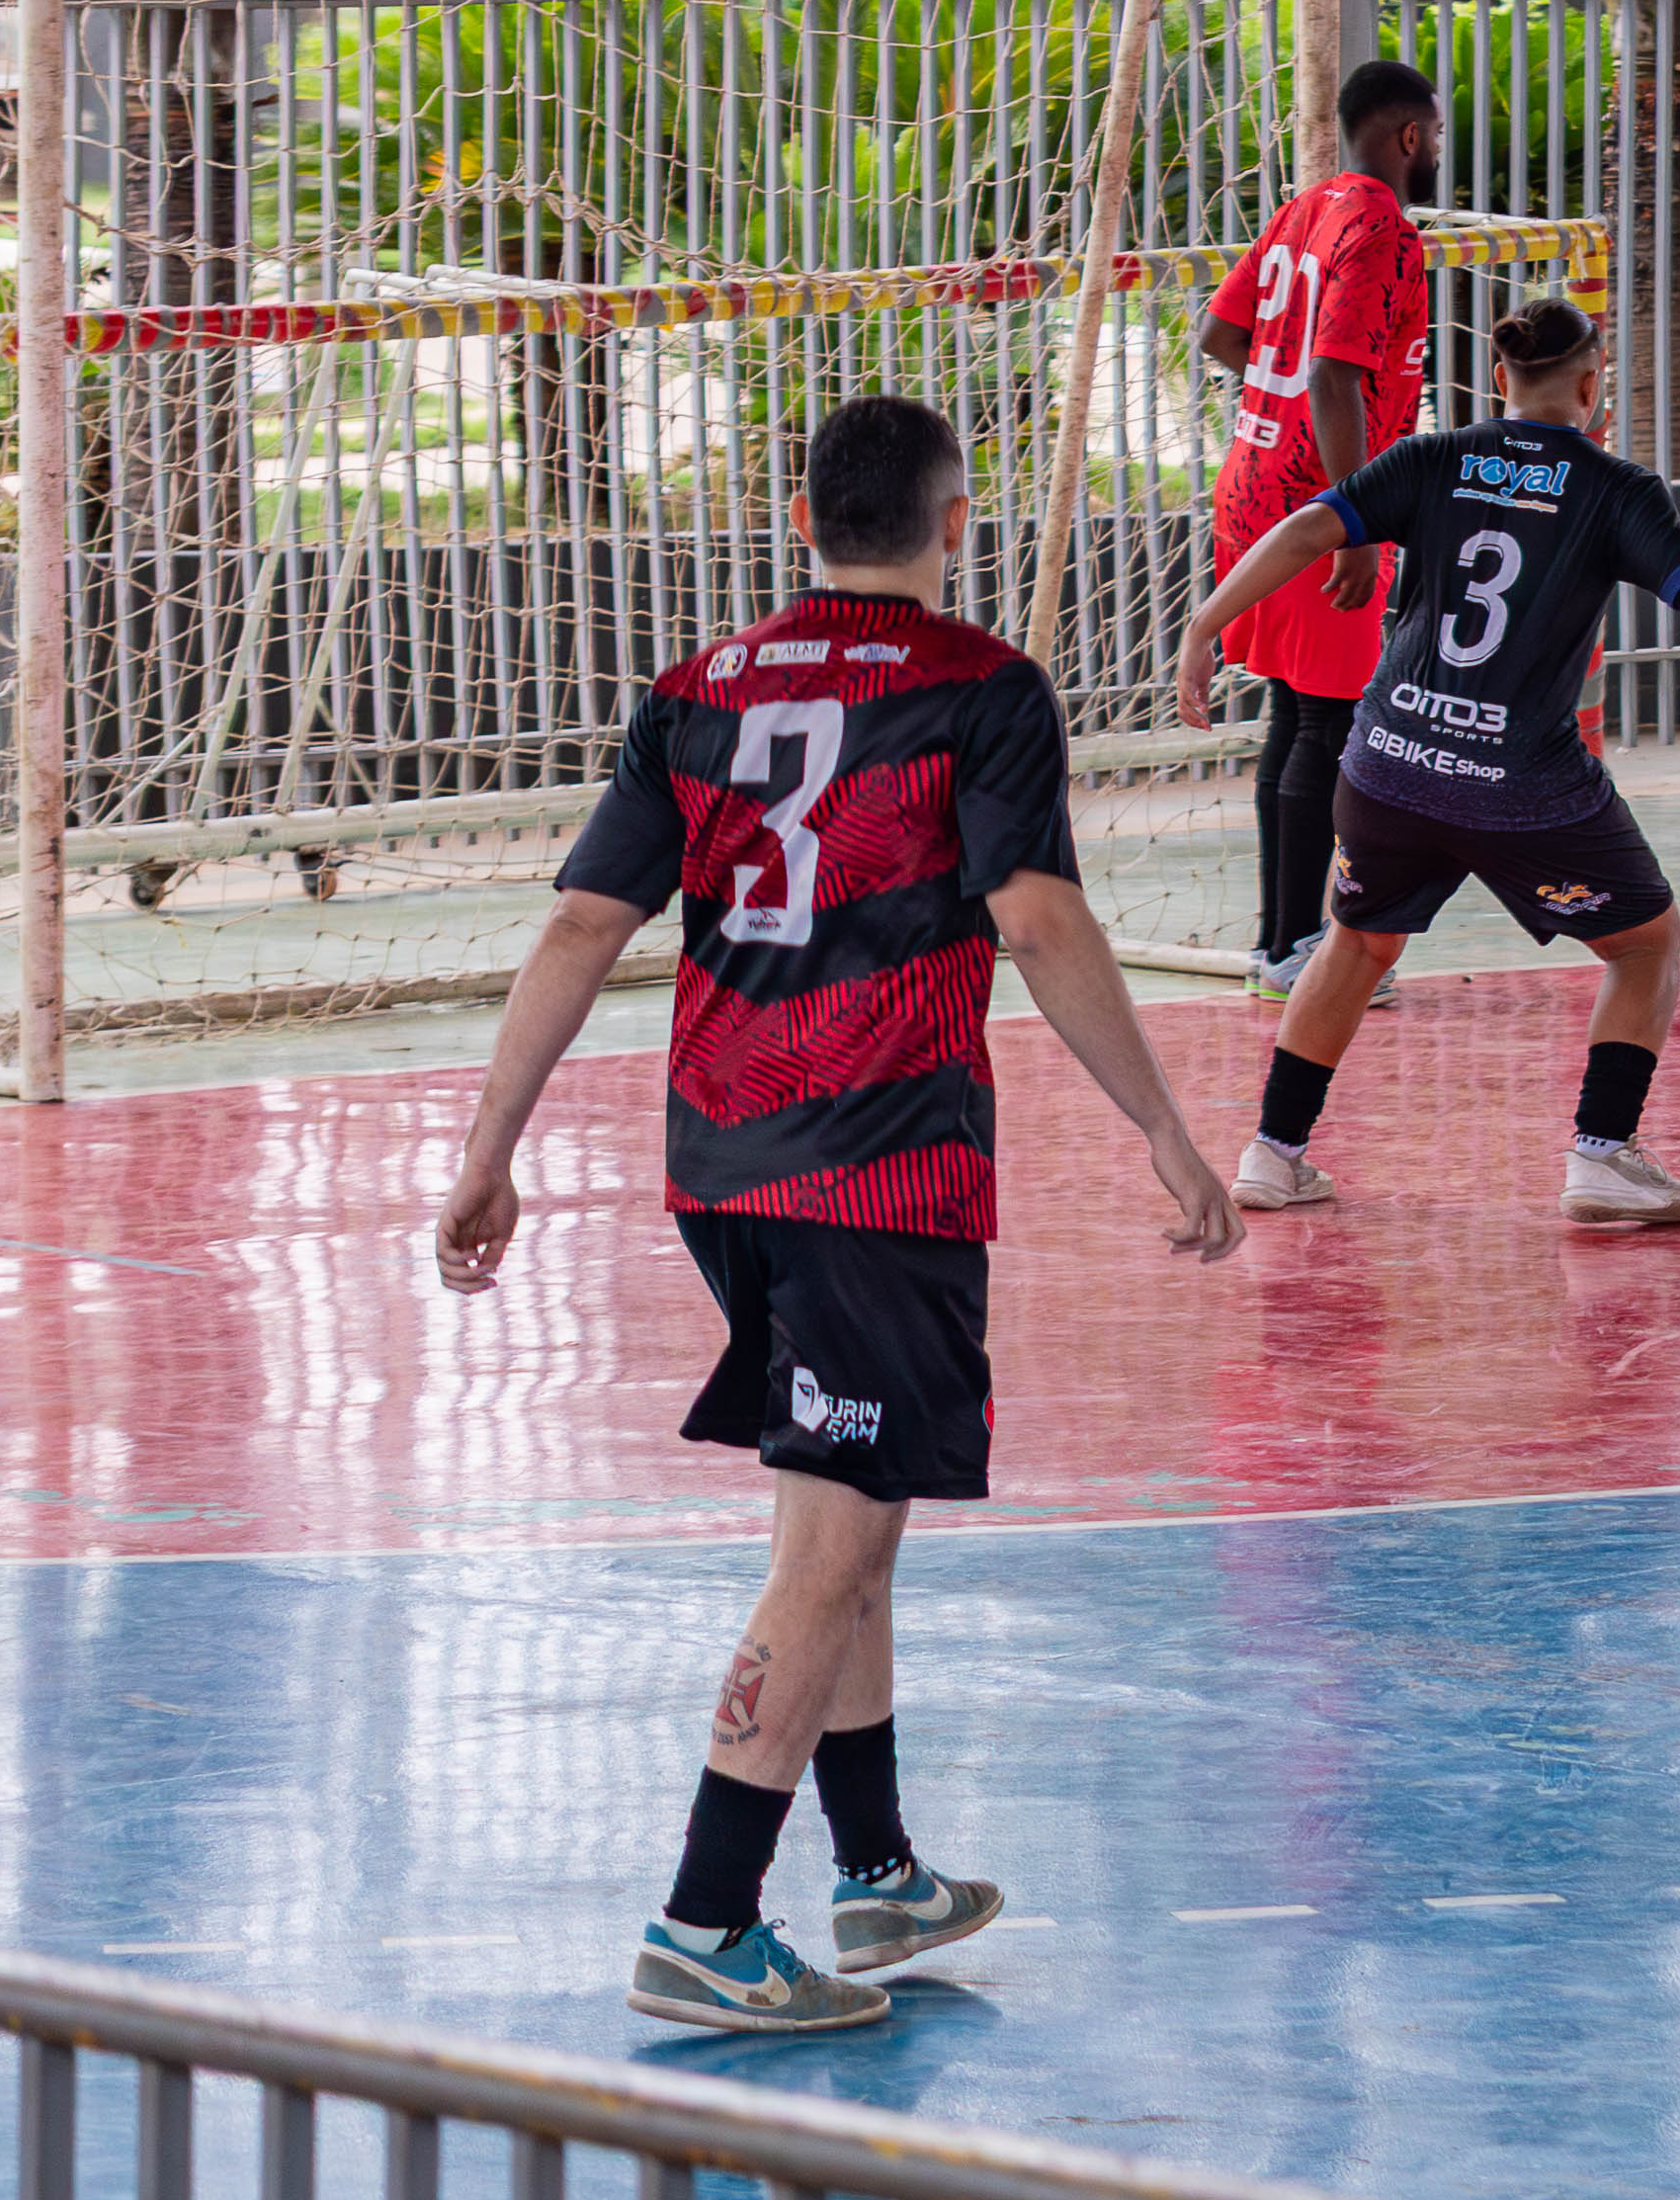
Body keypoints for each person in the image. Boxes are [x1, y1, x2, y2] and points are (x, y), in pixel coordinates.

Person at [433, 394, 1246, 2037]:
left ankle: (876, 1874)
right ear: (955, 525)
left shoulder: (698, 689)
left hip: (723, 1159)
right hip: (876, 1165)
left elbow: (584, 922)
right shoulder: (980, 688)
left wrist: (488, 1146)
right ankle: (705, 1918)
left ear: (800, 519)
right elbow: (1037, 919)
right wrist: (1166, 1127)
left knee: (846, 1502)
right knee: (834, 1542)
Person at [1178, 293, 1680, 1226]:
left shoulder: (1432, 457)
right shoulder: (1614, 490)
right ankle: (1601, 1155)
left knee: (1354, 941)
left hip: (1388, 759)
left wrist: (1204, 625)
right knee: (1645, 943)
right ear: (1593, 387)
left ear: (1498, 378)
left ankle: (1271, 1154)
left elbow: (1306, 528)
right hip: (1522, 783)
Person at [1199, 59, 1446, 996]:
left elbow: (1221, 336)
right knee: (1329, 719)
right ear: (1409, 136)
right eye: (1434, 133)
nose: (1437, 148)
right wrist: (1359, 522)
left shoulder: (1307, 208)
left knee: (1298, 713)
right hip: (1314, 505)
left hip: (1250, 486)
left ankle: (1278, 944)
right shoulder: (1382, 228)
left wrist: (1280, 398)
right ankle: (1298, 948)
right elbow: (1334, 376)